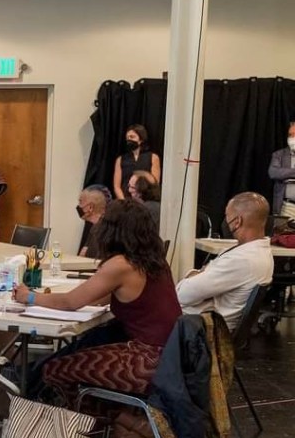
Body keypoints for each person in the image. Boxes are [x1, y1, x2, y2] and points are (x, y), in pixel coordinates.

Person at [10, 200, 181, 438]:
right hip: (168, 356)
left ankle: (133, 424)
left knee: (57, 371)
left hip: (146, 360)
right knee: (88, 346)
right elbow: (102, 295)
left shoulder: (120, 265)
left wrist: (29, 296)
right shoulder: (153, 261)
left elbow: (70, 303)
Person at [176, 192, 273, 331]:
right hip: (210, 322)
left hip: (204, 329)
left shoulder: (241, 260)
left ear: (237, 221)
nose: (225, 222)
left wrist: (198, 274)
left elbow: (183, 295)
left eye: (227, 217)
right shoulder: (261, 252)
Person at [113, 124, 161, 200]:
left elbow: (155, 183)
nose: (129, 140)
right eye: (127, 138)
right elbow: (117, 186)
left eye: (132, 137)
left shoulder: (153, 157)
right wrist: (124, 202)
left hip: (146, 201)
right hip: (126, 200)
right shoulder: (120, 159)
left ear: (141, 139)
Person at [267, 122, 295, 218]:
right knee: (285, 233)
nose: (292, 138)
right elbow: (273, 172)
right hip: (287, 207)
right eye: (290, 135)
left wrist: (287, 175)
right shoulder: (279, 155)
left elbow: (281, 173)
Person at [76, 185, 110, 257]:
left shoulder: (103, 231)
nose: (78, 206)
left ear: (90, 207)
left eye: (80, 202)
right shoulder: (95, 227)